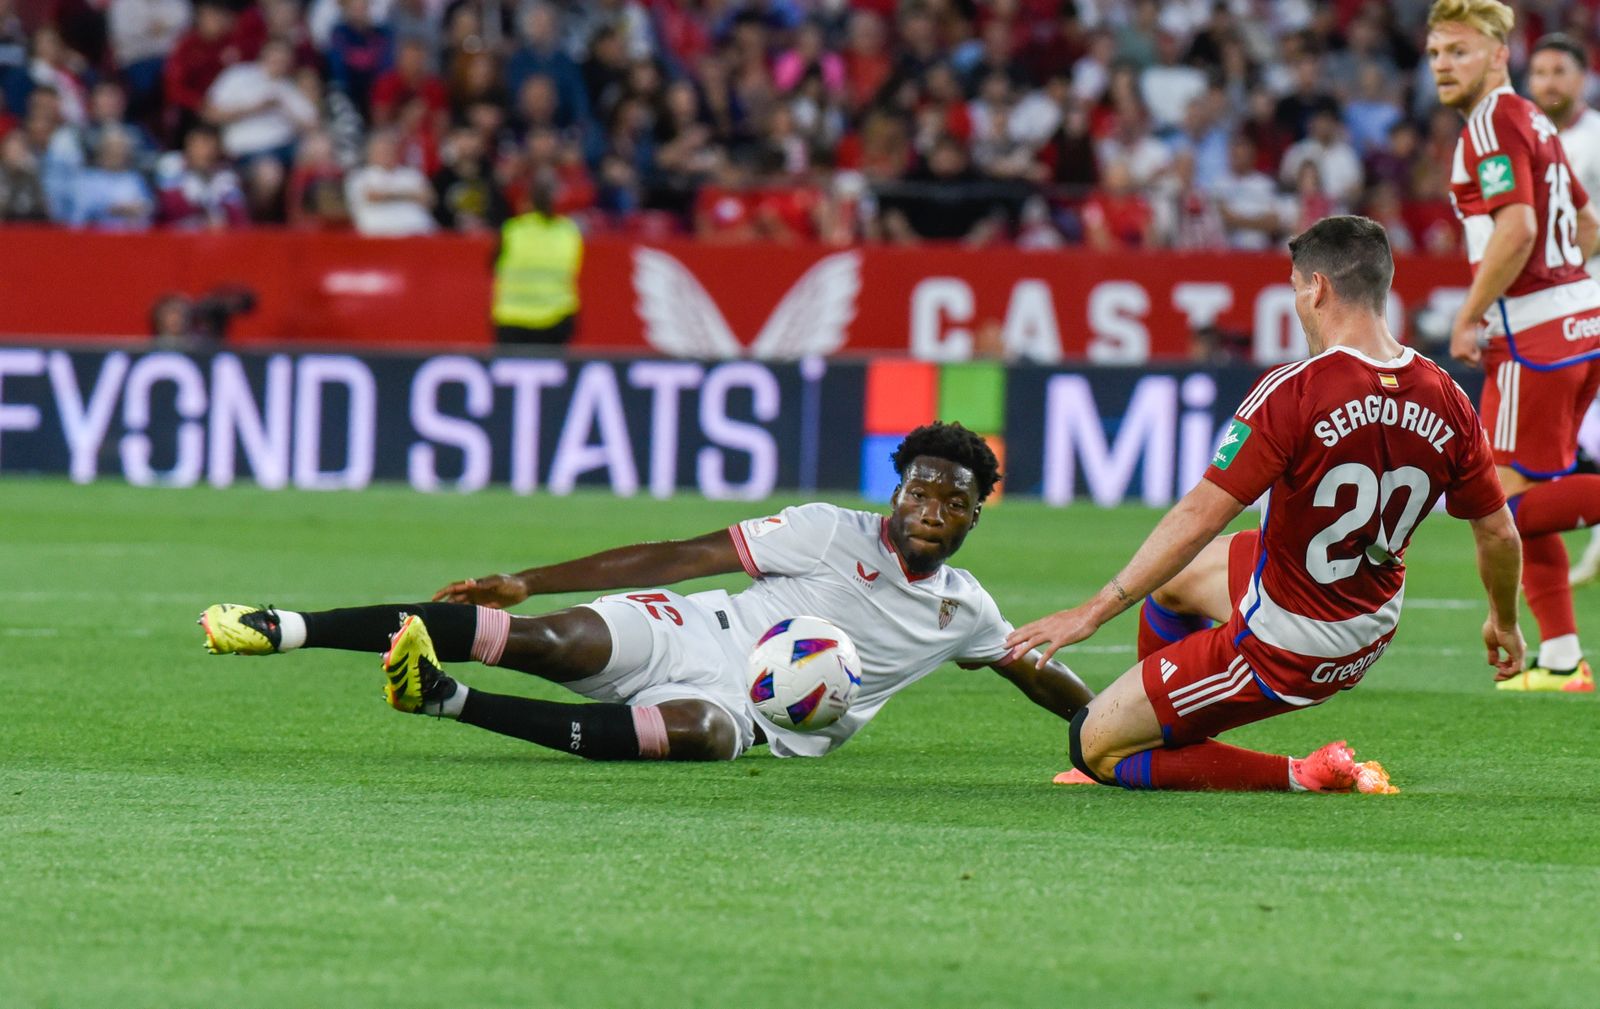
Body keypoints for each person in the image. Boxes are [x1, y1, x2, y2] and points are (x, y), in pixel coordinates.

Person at [199, 423, 1094, 762]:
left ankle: (445, 700)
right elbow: (680, 555)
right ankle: (285, 626)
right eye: (919, 489)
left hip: (758, 717)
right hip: (697, 632)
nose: (931, 508)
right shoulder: (828, 527)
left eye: (953, 500)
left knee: (700, 737)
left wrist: (1107, 733)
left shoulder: (963, 608)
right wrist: (528, 581)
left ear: (976, 518)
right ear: (895, 489)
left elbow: (1030, 666)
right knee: (550, 639)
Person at [1007, 216, 1522, 794]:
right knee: (1173, 585)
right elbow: (1500, 534)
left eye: (1296, 289)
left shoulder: (1295, 390)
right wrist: (1503, 619)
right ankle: (1168, 725)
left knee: (1090, 746)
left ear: (1317, 289)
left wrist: (1093, 610)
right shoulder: (1450, 398)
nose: (1298, 304)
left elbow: (1199, 514)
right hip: (1369, 619)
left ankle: (1301, 775)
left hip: (1286, 641)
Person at [1428, 0, 1600, 692]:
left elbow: (1519, 228)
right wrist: (1570, 291)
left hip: (1535, 339)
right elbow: (1586, 221)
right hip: (1581, 319)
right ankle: (1561, 660)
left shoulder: (1494, 121)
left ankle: (1553, 650)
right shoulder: (1533, 117)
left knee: (1500, 508)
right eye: (1437, 53)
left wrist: (1471, 313)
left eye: (1459, 52)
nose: (1444, 65)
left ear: (1499, 55)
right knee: (1532, 493)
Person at [1525, 32, 1600, 587]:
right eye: (1541, 72)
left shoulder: (1596, 138)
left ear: (1583, 78)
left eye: (1560, 71)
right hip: (1549, 309)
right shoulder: (1524, 140)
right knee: (1563, 438)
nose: (1549, 82)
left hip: (1587, 302)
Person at [490, 172, 580, 344]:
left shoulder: (512, 230)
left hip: (512, 319)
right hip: (556, 319)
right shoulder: (568, 232)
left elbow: (493, 266)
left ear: (528, 201)